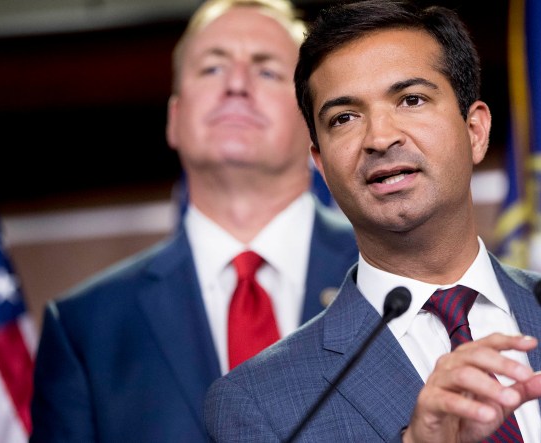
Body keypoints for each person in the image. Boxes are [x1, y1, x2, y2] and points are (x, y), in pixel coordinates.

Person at [203, 1, 541, 442]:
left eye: (411, 100)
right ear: (321, 164)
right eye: (344, 118)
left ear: (475, 130)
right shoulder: (258, 403)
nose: (379, 137)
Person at [30, 0, 358, 441]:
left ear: (314, 122)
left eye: (267, 71)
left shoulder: (398, 275)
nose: (237, 84)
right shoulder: (85, 328)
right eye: (211, 69)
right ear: (175, 117)